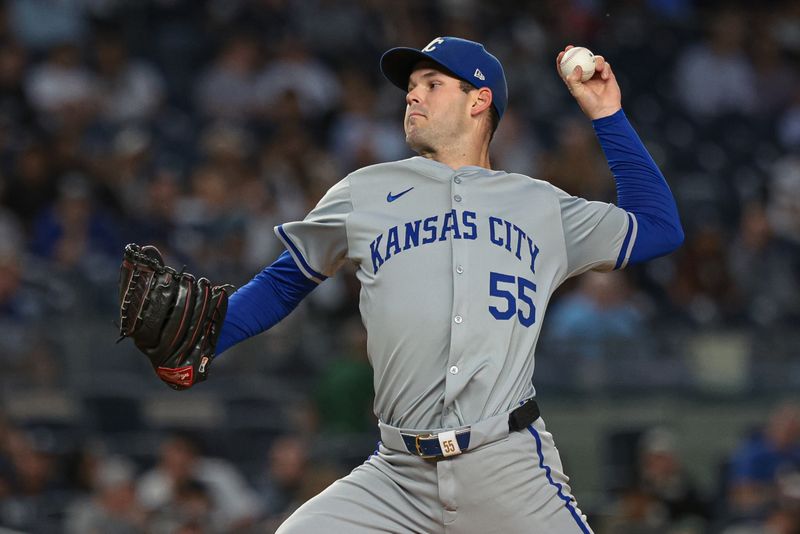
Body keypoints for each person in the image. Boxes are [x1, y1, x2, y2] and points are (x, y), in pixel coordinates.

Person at [213, 36, 683, 532]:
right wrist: (204, 341)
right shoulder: (363, 190)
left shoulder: (540, 206)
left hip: (507, 466)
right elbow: (283, 282)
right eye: (411, 87)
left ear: (479, 100)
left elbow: (659, 227)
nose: (412, 95)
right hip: (397, 475)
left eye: (432, 84)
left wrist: (606, 114)